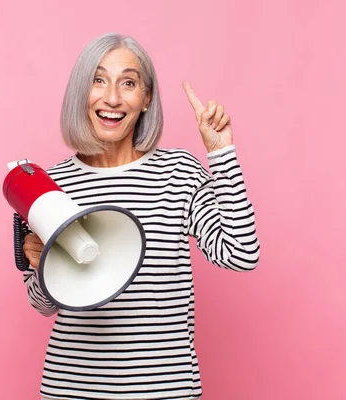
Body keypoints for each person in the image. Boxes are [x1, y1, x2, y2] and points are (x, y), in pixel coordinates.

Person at [17, 32, 260, 400]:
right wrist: (41, 264)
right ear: (81, 92)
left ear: (146, 99)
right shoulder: (47, 188)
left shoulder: (179, 173)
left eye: (128, 83)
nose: (112, 98)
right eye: (98, 80)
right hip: (72, 389)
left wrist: (222, 154)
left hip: (165, 390)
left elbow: (241, 254)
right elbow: (42, 305)